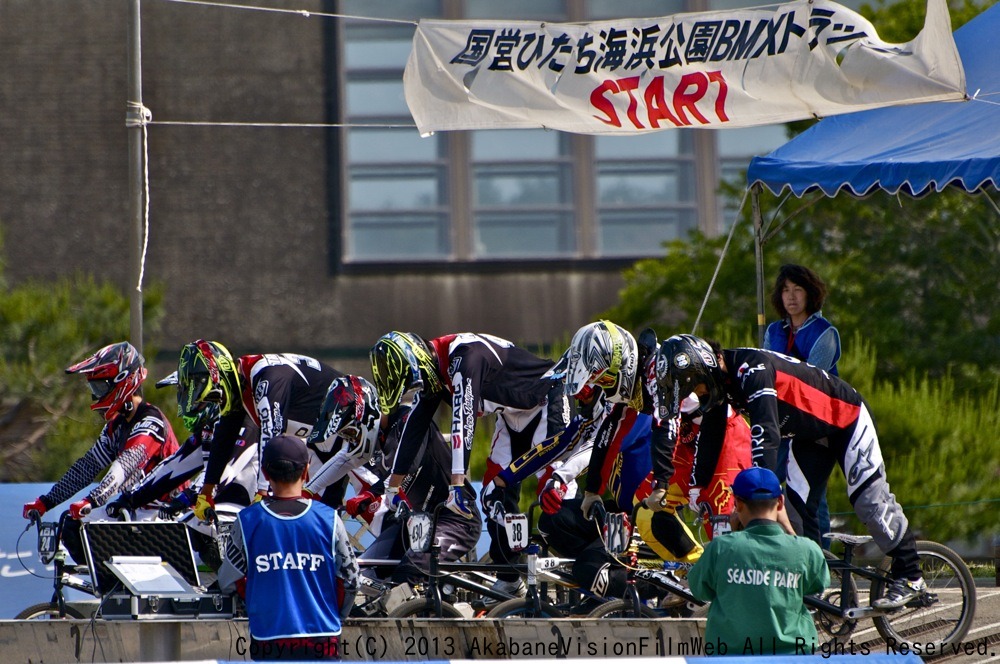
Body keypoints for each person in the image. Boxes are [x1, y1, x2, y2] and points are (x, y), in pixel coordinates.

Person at [653, 334, 925, 609]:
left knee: (869, 503)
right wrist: (697, 488)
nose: (697, 394)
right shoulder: (721, 385)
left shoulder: (752, 368)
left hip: (847, 420)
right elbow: (712, 434)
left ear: (706, 366)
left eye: (695, 386)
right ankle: (815, 587)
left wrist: (761, 496)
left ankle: (912, 575)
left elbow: (765, 432)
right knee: (797, 512)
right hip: (810, 435)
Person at [370, 331, 567, 595]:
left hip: (546, 399)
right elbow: (414, 427)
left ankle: (583, 566)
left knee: (555, 489)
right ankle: (510, 576)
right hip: (510, 417)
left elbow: (463, 420)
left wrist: (457, 484)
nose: (421, 390)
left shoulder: (464, 357)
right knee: (493, 494)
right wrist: (392, 490)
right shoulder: (434, 370)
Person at [303, 375, 481, 588]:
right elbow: (343, 460)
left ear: (366, 415)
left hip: (455, 520)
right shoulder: (374, 434)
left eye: (350, 432)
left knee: (410, 570)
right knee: (362, 573)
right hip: (412, 525)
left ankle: (425, 614)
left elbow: (407, 469)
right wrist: (306, 493)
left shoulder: (409, 419)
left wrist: (370, 494)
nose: (352, 440)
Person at [21, 342, 180, 563]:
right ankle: (108, 591)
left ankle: (118, 588)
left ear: (122, 382)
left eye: (99, 388)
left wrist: (92, 500)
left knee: (86, 522)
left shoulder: (151, 421)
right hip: (134, 509)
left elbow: (126, 465)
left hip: (166, 513)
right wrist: (46, 501)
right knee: (71, 525)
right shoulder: (116, 426)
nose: (96, 397)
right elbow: (88, 466)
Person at [218, 434, 358, 661]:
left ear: (265, 473)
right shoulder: (329, 519)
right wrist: (336, 614)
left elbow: (228, 581)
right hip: (323, 639)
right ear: (306, 472)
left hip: (268, 639)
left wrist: (255, 604)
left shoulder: (247, 521)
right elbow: (351, 580)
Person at [173, 340, 342, 520]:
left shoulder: (266, 376)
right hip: (324, 442)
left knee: (374, 511)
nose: (218, 404)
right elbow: (224, 438)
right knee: (323, 515)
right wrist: (206, 492)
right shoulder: (239, 384)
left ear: (223, 375)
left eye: (216, 397)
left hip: (353, 430)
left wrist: (262, 492)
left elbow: (271, 435)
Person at [688, 467, 829, 655]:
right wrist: (789, 529)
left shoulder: (721, 548)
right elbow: (816, 584)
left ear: (737, 504)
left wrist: (731, 533)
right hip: (792, 655)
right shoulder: (806, 548)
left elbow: (700, 590)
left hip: (731, 655)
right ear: (780, 503)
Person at [762, 263, 841, 545]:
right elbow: (767, 373)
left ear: (810, 294)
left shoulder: (825, 333)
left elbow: (809, 381)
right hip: (782, 421)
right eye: (785, 291)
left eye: (797, 290)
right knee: (768, 481)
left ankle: (822, 558)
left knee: (810, 493)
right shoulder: (774, 331)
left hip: (816, 424)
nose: (791, 297)